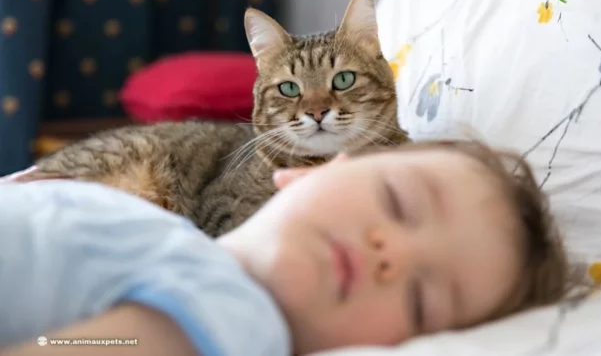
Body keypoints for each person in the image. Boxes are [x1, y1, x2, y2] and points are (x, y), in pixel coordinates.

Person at [0, 140, 570, 356]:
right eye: (397, 202)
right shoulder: (173, 241)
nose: (391, 253)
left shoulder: (232, 314)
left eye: (422, 299)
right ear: (308, 171)